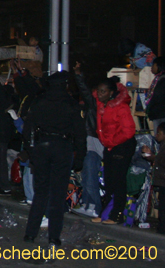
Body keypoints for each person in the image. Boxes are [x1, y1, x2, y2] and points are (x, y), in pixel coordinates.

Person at [22, 72, 86, 247]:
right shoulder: (71, 104)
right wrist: (80, 157)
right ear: (65, 85)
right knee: (57, 195)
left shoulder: (39, 102)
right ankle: (53, 236)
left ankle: (30, 233)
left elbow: (28, 130)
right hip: (62, 147)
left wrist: (31, 151)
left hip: (42, 147)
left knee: (40, 193)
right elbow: (80, 134)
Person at [92, 77, 136, 225]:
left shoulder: (120, 107)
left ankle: (117, 214)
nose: (100, 94)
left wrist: (111, 142)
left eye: (103, 91)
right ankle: (104, 213)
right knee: (108, 180)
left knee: (118, 180)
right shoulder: (101, 104)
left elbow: (128, 131)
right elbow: (89, 93)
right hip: (110, 144)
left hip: (122, 145)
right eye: (99, 91)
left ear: (111, 93)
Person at [73, 61, 102, 218]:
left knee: (90, 176)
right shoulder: (86, 107)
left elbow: (84, 92)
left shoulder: (94, 105)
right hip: (88, 144)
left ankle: (95, 207)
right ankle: (86, 204)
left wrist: (78, 76)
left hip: (93, 144)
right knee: (86, 175)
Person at [141, 122, 165, 234]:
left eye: (159, 133)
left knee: (164, 208)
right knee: (162, 206)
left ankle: (163, 230)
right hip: (163, 181)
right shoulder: (163, 145)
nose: (157, 135)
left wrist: (152, 156)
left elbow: (163, 162)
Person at [146, 56, 165, 136]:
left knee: (161, 138)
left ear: (158, 66)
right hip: (161, 114)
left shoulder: (162, 80)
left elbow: (157, 97)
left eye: (153, 65)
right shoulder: (161, 79)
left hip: (161, 115)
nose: (151, 68)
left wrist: (150, 110)